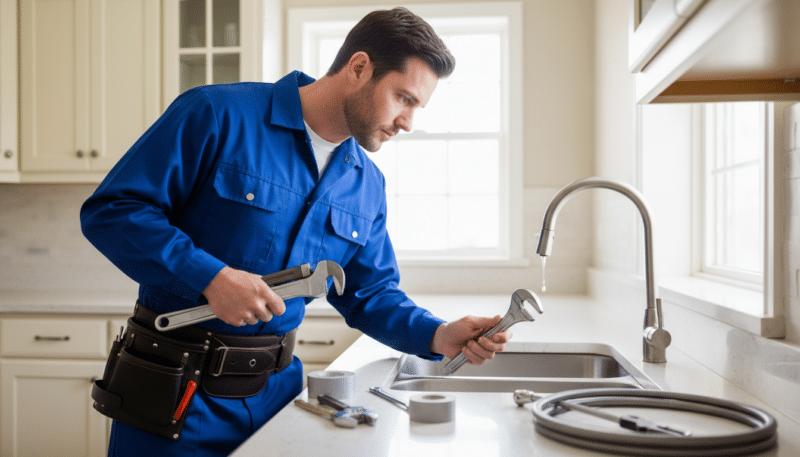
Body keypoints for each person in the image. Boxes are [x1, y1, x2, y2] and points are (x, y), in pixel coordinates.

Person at [81, 7, 512, 457]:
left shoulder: (366, 183)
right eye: (403, 98)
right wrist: (209, 276)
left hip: (279, 398)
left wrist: (437, 334)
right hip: (173, 397)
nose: (408, 121)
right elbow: (112, 211)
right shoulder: (215, 113)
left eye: (416, 106)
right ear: (359, 67)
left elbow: (371, 294)